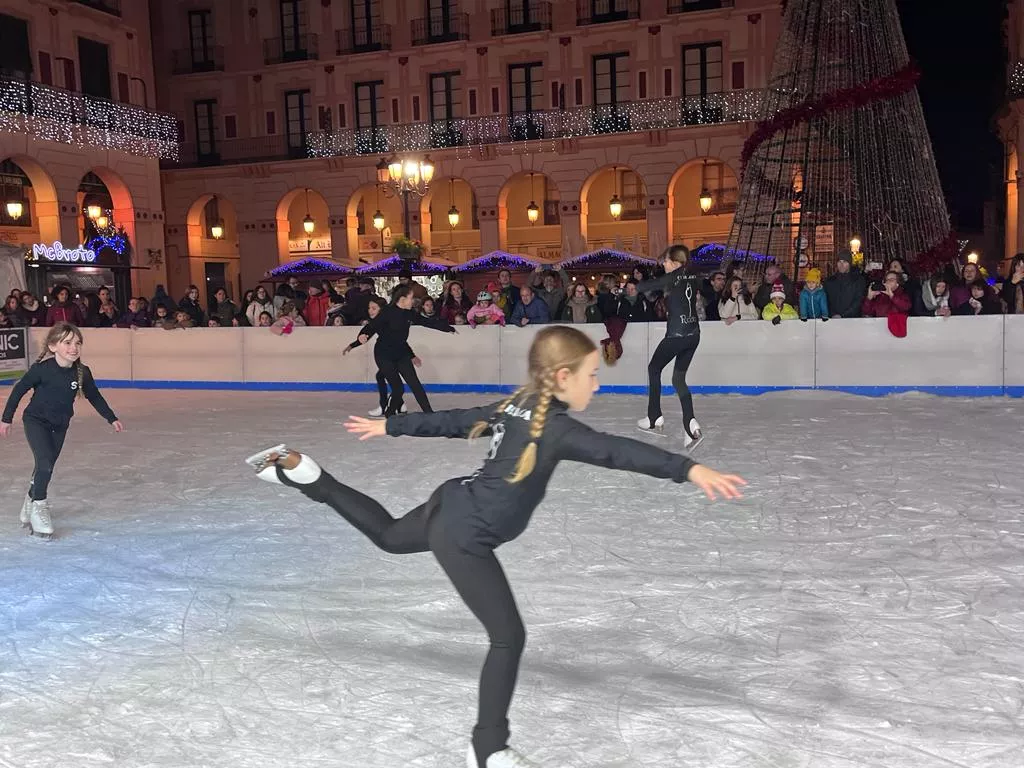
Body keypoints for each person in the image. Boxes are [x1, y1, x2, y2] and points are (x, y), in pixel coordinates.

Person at [245, 326, 746, 768]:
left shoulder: (518, 403)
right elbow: (615, 451)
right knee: (508, 637)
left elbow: (460, 419)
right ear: (562, 376)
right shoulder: (554, 425)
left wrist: (392, 424)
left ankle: (303, 474)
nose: (598, 383)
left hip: (453, 503)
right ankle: (488, 749)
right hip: (466, 532)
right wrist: (688, 468)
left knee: (388, 537)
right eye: (591, 374)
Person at [0, 323, 124, 538]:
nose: (73, 348)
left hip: (60, 426)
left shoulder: (82, 373)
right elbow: (19, 390)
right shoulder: (42, 370)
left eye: (77, 343)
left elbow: (94, 396)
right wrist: (6, 418)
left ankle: (30, 500)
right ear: (53, 346)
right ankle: (39, 506)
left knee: (44, 466)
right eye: (67, 343)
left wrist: (111, 418)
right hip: (36, 421)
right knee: (45, 463)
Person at [343, 284, 455, 416]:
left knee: (415, 384)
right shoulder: (387, 312)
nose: (413, 301)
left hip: (401, 354)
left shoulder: (409, 313)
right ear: (402, 299)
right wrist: (361, 336)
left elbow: (426, 322)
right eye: (411, 298)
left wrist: (448, 328)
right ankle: (389, 415)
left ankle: (429, 413)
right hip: (384, 355)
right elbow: (372, 326)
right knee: (398, 389)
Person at [635, 245, 704, 448]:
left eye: (665, 260)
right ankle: (690, 423)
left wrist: (627, 288)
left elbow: (646, 286)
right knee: (678, 379)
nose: (663, 263)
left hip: (677, 335)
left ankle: (654, 417)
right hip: (693, 335)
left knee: (653, 368)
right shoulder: (692, 276)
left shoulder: (673, 277)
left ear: (675, 262)